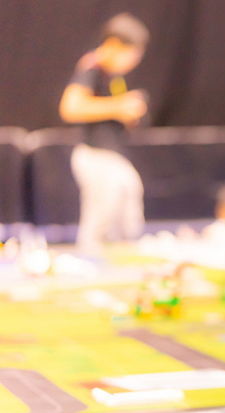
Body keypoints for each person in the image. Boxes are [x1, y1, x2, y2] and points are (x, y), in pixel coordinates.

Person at [59, 13, 149, 254]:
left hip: (111, 155)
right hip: (95, 154)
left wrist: (128, 112)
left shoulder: (113, 76)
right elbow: (71, 108)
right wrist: (118, 106)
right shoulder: (93, 66)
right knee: (101, 218)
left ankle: (124, 255)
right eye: (131, 54)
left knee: (128, 202)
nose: (134, 61)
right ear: (113, 45)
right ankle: (91, 261)